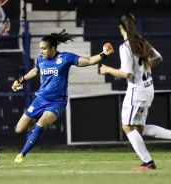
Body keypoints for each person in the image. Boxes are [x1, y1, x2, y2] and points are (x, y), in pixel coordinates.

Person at [99, 13, 171, 170]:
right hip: (148, 88)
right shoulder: (142, 42)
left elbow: (126, 73)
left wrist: (107, 69)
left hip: (137, 91)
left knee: (127, 127)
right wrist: (144, 68)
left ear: (120, 28)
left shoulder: (126, 47)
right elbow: (158, 58)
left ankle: (148, 162)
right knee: (139, 128)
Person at [11, 29, 114, 163]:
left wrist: (103, 54)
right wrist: (21, 80)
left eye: (44, 49)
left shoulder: (65, 58)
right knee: (20, 129)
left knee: (41, 124)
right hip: (40, 100)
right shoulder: (41, 60)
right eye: (40, 49)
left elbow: (88, 61)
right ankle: (39, 122)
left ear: (53, 48)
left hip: (57, 102)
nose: (41, 51)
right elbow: (36, 70)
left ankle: (21, 154)